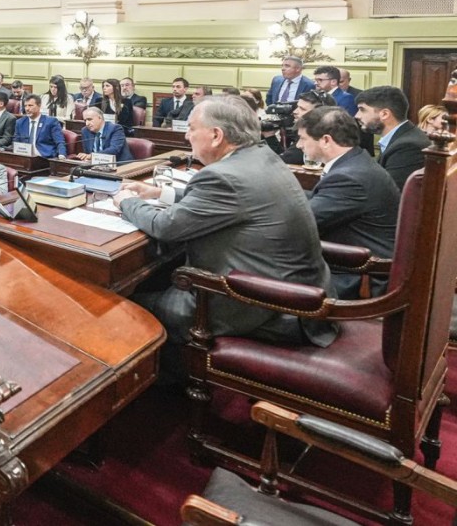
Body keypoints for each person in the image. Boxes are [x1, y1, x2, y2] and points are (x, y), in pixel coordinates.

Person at [113, 96, 336, 380]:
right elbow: (232, 201)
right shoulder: (262, 157)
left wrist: (126, 201)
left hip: (262, 304)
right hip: (300, 291)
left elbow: (164, 226)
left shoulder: (223, 176)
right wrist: (161, 193)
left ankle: (156, 385)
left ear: (216, 135)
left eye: (192, 128)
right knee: (158, 277)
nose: (186, 135)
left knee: (123, 303)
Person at [295, 108, 398, 297]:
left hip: (358, 279)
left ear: (326, 140)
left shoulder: (349, 178)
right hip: (354, 264)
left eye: (302, 138)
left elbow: (302, 223)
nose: (298, 145)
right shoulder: (357, 162)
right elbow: (323, 198)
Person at [355, 86, 430, 190]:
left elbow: (389, 193)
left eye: (362, 110)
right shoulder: (403, 137)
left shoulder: (407, 147)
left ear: (385, 114)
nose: (357, 115)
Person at [273, 91, 335, 164]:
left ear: (319, 113)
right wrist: (270, 136)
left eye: (302, 109)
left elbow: (281, 161)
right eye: (297, 107)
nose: (295, 111)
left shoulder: (316, 137)